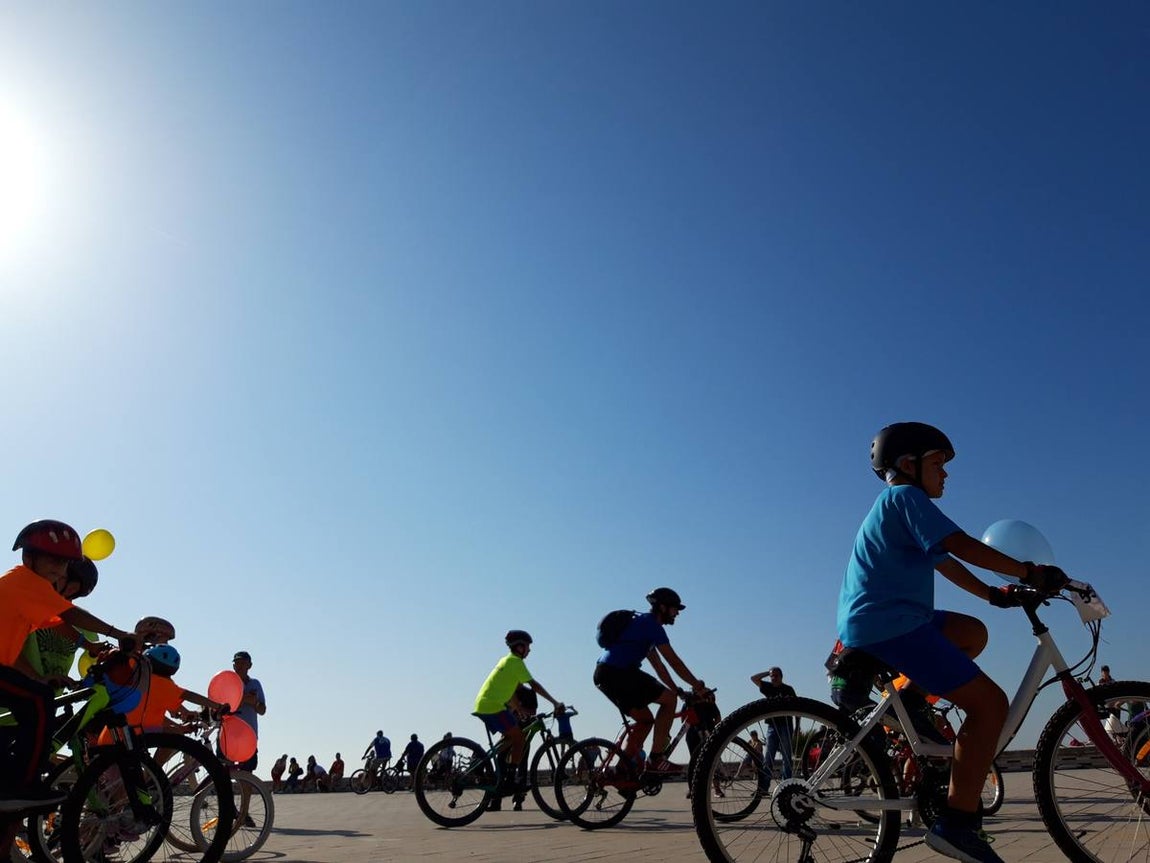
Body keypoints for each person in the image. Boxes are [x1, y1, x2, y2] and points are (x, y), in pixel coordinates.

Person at [838, 422, 1069, 863]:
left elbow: (946, 562)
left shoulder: (900, 507)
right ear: (908, 465)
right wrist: (1029, 571)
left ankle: (910, 701)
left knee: (972, 632)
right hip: (889, 623)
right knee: (990, 705)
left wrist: (992, 595)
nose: (945, 473)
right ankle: (958, 825)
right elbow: (960, 544)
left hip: (894, 619)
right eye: (938, 463)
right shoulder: (905, 497)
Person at [0, 520, 138, 813]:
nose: (59, 569)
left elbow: (56, 622)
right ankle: (21, 787)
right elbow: (69, 613)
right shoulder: (25, 581)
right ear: (28, 557)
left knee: (30, 702)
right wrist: (118, 633)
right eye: (53, 559)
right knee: (39, 702)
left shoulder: (27, 591)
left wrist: (87, 645)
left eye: (64, 563)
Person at [593, 588, 707, 773]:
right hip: (618, 673)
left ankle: (621, 770)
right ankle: (656, 759)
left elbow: (660, 667)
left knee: (646, 720)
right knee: (669, 701)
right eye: (675, 608)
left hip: (605, 674)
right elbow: (674, 661)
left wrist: (677, 690)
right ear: (662, 607)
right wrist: (697, 685)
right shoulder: (652, 626)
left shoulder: (642, 625)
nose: (677, 613)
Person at [473, 630, 565, 802]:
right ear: (520, 647)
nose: (529, 650)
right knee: (520, 739)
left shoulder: (506, 660)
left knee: (510, 739)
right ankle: (509, 780)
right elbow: (534, 685)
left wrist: (520, 710)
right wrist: (555, 702)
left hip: (487, 704)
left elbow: (510, 694)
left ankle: (485, 766)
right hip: (493, 706)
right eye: (528, 647)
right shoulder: (516, 662)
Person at [750, 667, 797, 791]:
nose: (774, 678)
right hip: (772, 726)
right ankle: (764, 787)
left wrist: (797, 726)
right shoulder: (768, 687)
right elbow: (753, 678)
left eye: (776, 676)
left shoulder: (788, 689)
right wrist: (768, 672)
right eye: (772, 676)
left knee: (787, 757)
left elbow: (797, 708)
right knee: (768, 757)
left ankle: (787, 786)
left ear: (781, 677)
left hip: (786, 725)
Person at [230, 651, 266, 772]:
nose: (239, 666)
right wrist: (244, 699)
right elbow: (225, 707)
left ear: (249, 665)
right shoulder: (228, 682)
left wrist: (254, 703)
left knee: (247, 772)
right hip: (229, 735)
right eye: (237, 663)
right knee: (225, 770)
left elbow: (262, 710)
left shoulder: (255, 684)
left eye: (243, 663)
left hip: (249, 735)